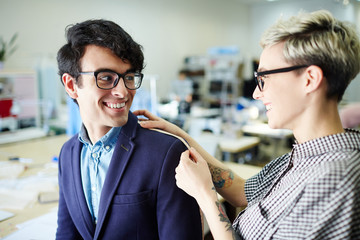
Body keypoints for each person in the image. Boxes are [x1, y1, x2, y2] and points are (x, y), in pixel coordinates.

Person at [135, 10, 360, 239]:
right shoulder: (303, 155)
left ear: (309, 79)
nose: (255, 93)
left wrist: (205, 195)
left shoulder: (335, 180)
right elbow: (242, 191)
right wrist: (181, 135)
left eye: (263, 80)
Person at [55, 19, 202, 240]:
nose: (123, 92)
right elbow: (67, 234)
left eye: (129, 77)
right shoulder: (68, 154)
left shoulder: (167, 153)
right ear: (71, 85)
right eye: (106, 78)